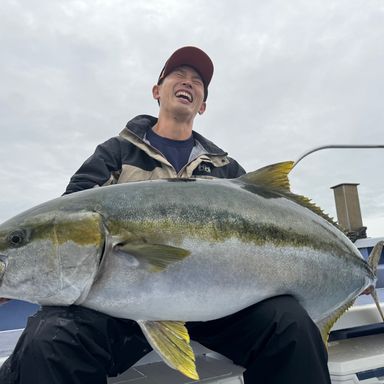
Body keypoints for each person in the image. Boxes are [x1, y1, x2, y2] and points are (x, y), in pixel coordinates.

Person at [0, 46, 331, 384]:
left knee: (290, 325)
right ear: (157, 91)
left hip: (219, 309)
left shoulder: (226, 169)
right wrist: (14, 272)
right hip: (119, 310)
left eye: (198, 81)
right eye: (178, 75)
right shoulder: (115, 153)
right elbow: (66, 218)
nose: (188, 82)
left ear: (202, 104)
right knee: (49, 341)